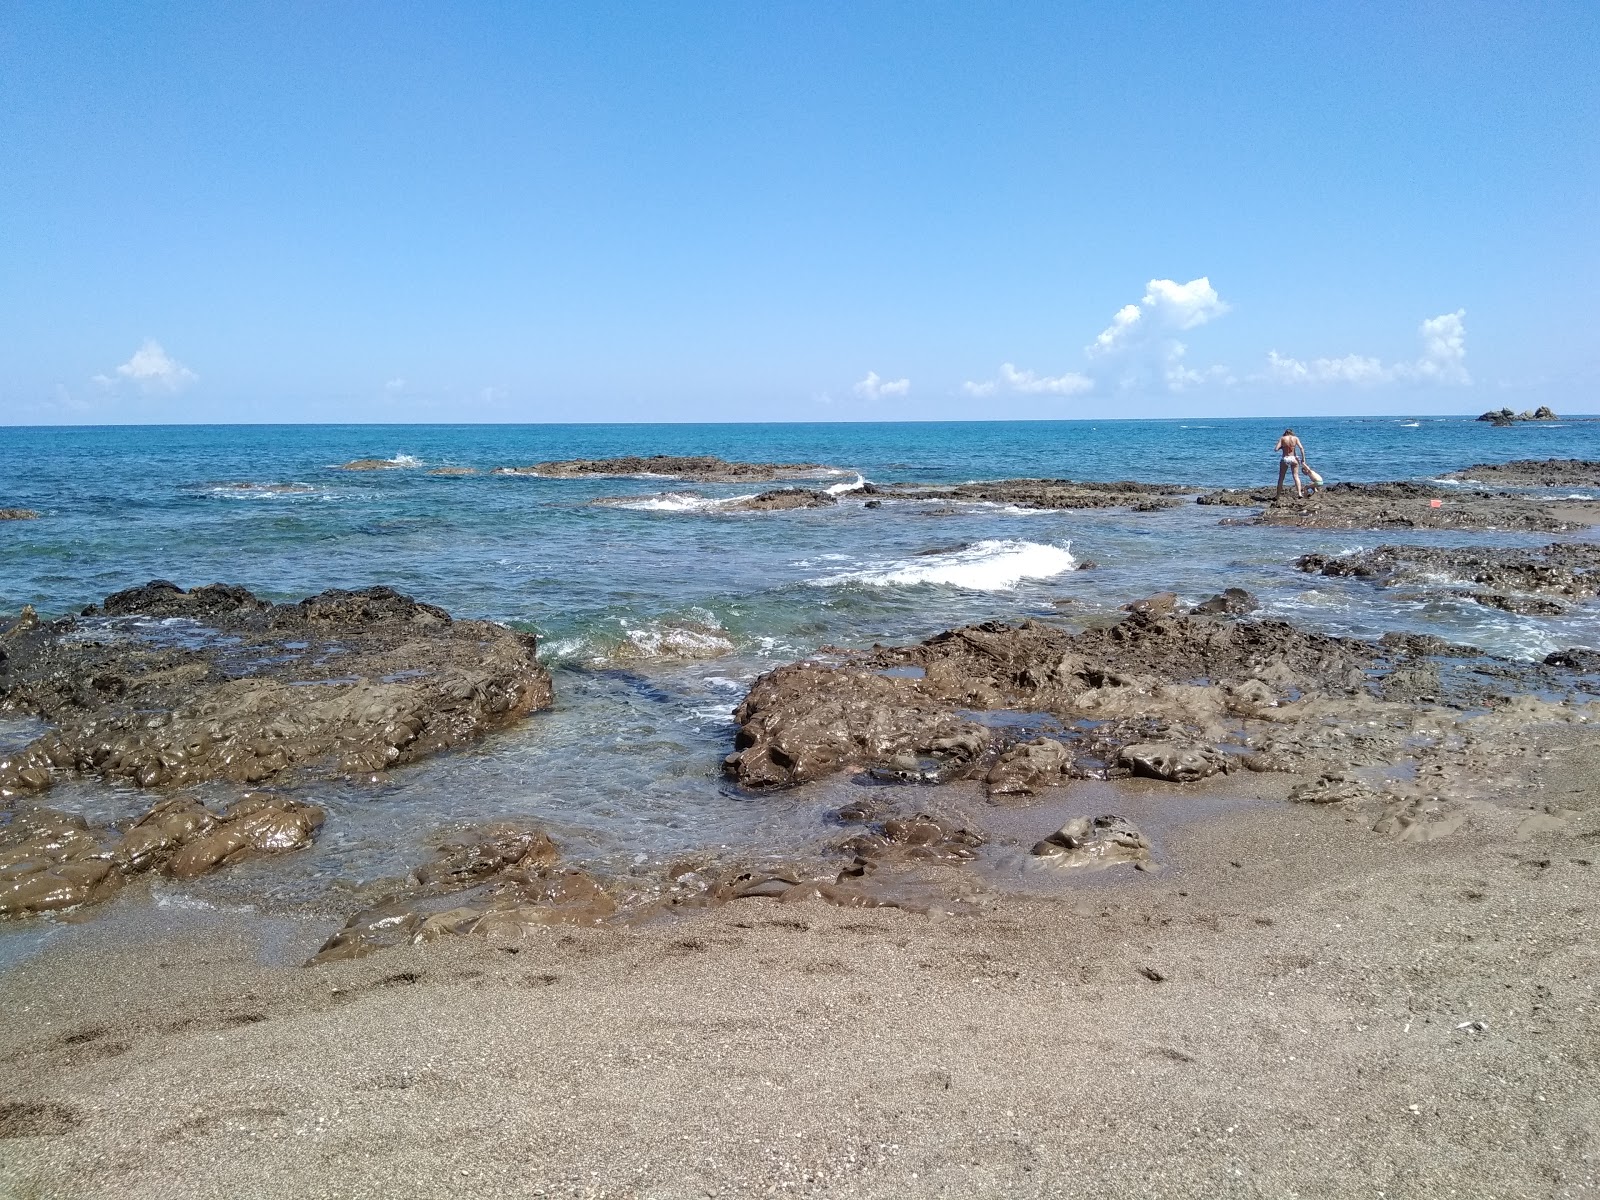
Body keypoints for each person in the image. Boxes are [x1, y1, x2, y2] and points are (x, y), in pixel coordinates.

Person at [1275, 428, 1308, 500]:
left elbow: (1276, 449)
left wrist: (1282, 447)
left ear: (1285, 433)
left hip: (1285, 458)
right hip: (1294, 458)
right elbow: (1301, 448)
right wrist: (1303, 459)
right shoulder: (1295, 438)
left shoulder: (1282, 438)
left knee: (1281, 478)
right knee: (1296, 476)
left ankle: (1277, 496)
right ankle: (1299, 493)